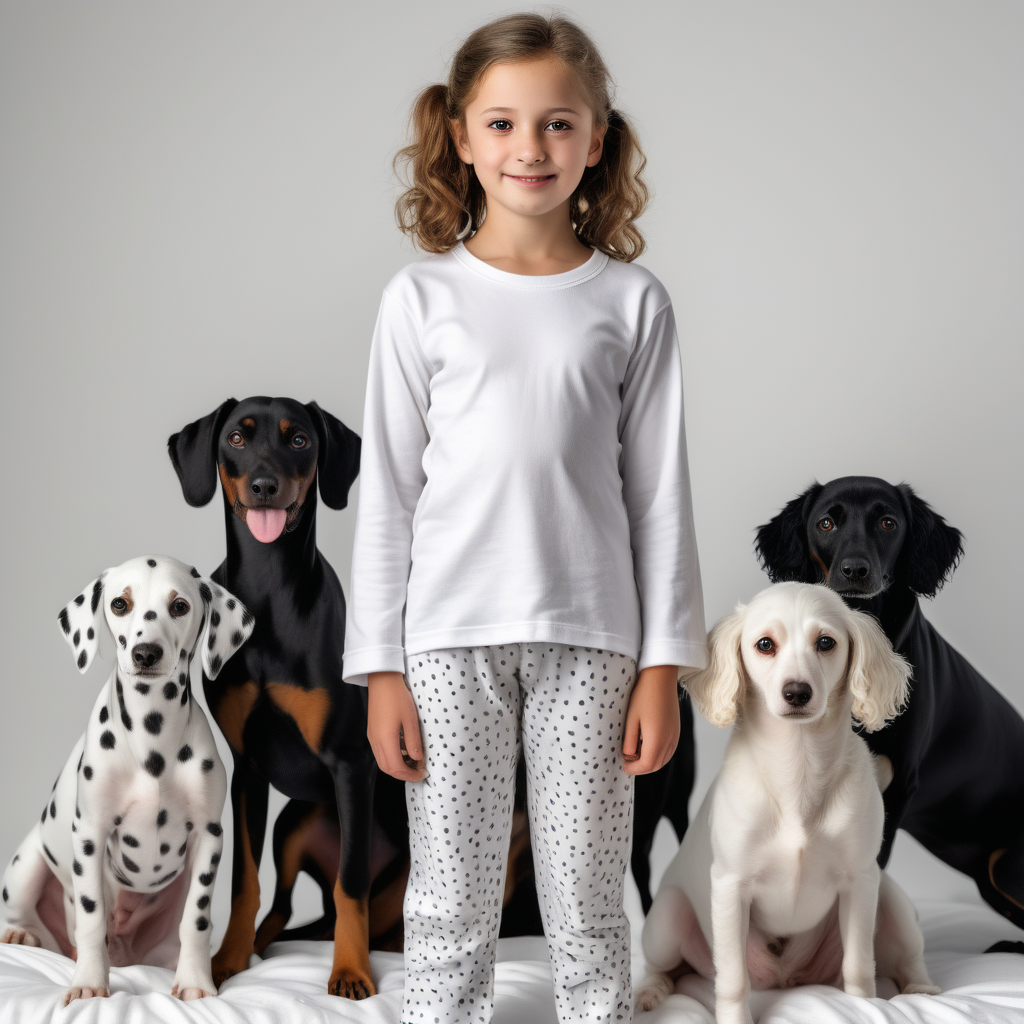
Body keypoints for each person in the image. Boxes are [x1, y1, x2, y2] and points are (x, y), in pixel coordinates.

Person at [343, 13, 706, 1023]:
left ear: (597, 138)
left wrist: (663, 666)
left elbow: (659, 495)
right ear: (461, 136)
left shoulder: (633, 303)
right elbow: (390, 498)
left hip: (592, 641)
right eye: (501, 124)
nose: (529, 149)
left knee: (588, 891)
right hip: (447, 642)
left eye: (556, 124)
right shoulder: (418, 299)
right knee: (451, 890)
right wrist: (380, 668)